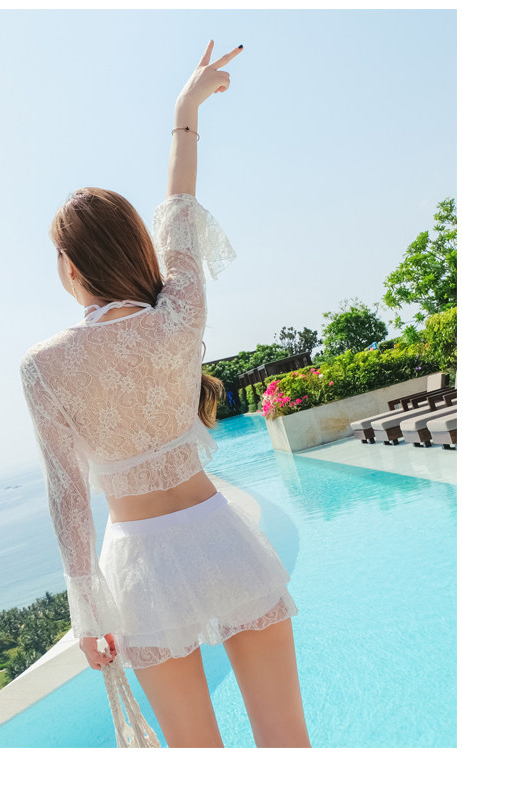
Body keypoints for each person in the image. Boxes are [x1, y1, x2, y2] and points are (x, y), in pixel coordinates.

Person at [20, 40, 310, 748]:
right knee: (287, 745)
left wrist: (87, 612)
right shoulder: (178, 315)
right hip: (222, 540)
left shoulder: (43, 366)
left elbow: (66, 494)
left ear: (69, 266)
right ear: (134, 250)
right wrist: (186, 109)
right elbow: (179, 208)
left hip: (139, 570)